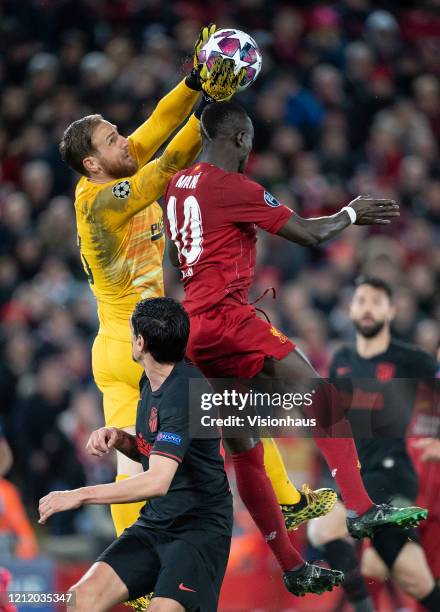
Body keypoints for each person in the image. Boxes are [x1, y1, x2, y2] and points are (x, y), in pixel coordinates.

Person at [164, 100, 426, 595]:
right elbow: (308, 233)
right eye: (250, 143)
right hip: (229, 318)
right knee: (320, 394)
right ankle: (361, 507)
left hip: (192, 326)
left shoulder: (177, 186)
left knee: (241, 443)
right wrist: (351, 212)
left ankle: (290, 564)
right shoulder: (236, 187)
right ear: (240, 139)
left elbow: (173, 262)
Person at [59, 24, 244, 541]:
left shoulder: (108, 171)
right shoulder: (99, 202)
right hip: (142, 344)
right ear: (93, 163)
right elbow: (166, 169)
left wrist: (194, 83)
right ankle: (287, 504)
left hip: (117, 344)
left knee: (132, 469)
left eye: (120, 133)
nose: (126, 140)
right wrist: (210, 106)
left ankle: (134, 578)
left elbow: (160, 121)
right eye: (114, 140)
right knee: (219, 410)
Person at [38, 297, 234, 612]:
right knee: (81, 599)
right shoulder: (152, 378)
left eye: (131, 333)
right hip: (156, 524)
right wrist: (120, 439)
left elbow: (157, 481)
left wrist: (79, 495)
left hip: (197, 531)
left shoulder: (185, 393)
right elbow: (158, 450)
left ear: (140, 343)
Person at [307, 276, 440, 612]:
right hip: (358, 476)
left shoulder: (410, 359)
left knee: (322, 528)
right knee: (415, 579)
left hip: (392, 475)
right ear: (350, 309)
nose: (367, 308)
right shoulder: (341, 359)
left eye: (376, 301)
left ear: (391, 310)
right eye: (361, 301)